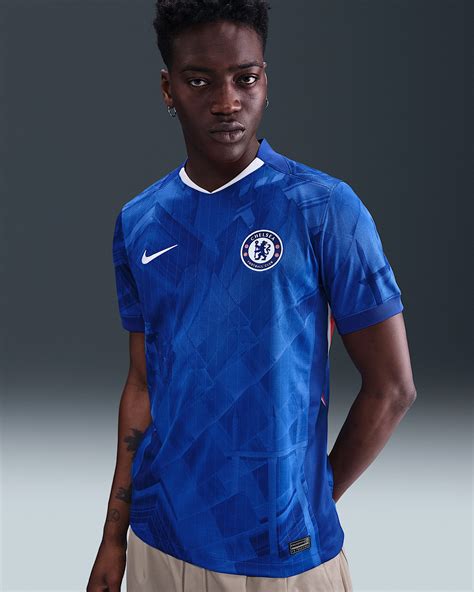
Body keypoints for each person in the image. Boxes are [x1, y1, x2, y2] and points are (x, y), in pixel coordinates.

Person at [87, 1, 417, 590]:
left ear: (266, 80)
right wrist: (113, 540)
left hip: (285, 560)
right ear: (167, 89)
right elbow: (142, 386)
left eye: (245, 78)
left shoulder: (324, 209)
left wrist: (309, 502)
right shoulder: (139, 222)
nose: (227, 102)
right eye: (200, 81)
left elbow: (393, 388)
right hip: (159, 547)